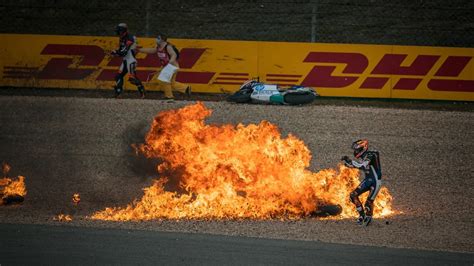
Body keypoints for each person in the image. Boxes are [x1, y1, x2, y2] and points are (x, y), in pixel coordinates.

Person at [341, 139, 382, 226]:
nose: (355, 152)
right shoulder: (364, 156)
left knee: (369, 202)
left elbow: (363, 166)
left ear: (363, 148)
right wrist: (348, 164)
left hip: (375, 181)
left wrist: (350, 162)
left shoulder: (371, 154)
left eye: (357, 150)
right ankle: (362, 215)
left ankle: (368, 217)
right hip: (368, 180)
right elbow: (360, 166)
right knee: (353, 195)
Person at [138, 33, 190, 100]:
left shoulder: (168, 47)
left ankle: (169, 97)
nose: (156, 39)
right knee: (170, 82)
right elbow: (152, 50)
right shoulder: (158, 46)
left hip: (172, 66)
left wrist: (169, 63)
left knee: (164, 80)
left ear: (162, 40)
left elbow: (174, 55)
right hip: (167, 66)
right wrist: (140, 50)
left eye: (158, 38)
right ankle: (186, 88)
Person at [111, 23, 145, 98]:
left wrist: (116, 52)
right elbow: (121, 51)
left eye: (119, 30)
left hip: (131, 60)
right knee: (118, 76)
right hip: (126, 60)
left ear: (123, 30)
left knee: (132, 78)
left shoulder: (130, 38)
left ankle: (142, 92)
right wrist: (115, 53)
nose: (118, 32)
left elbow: (124, 52)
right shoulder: (121, 38)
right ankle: (118, 92)